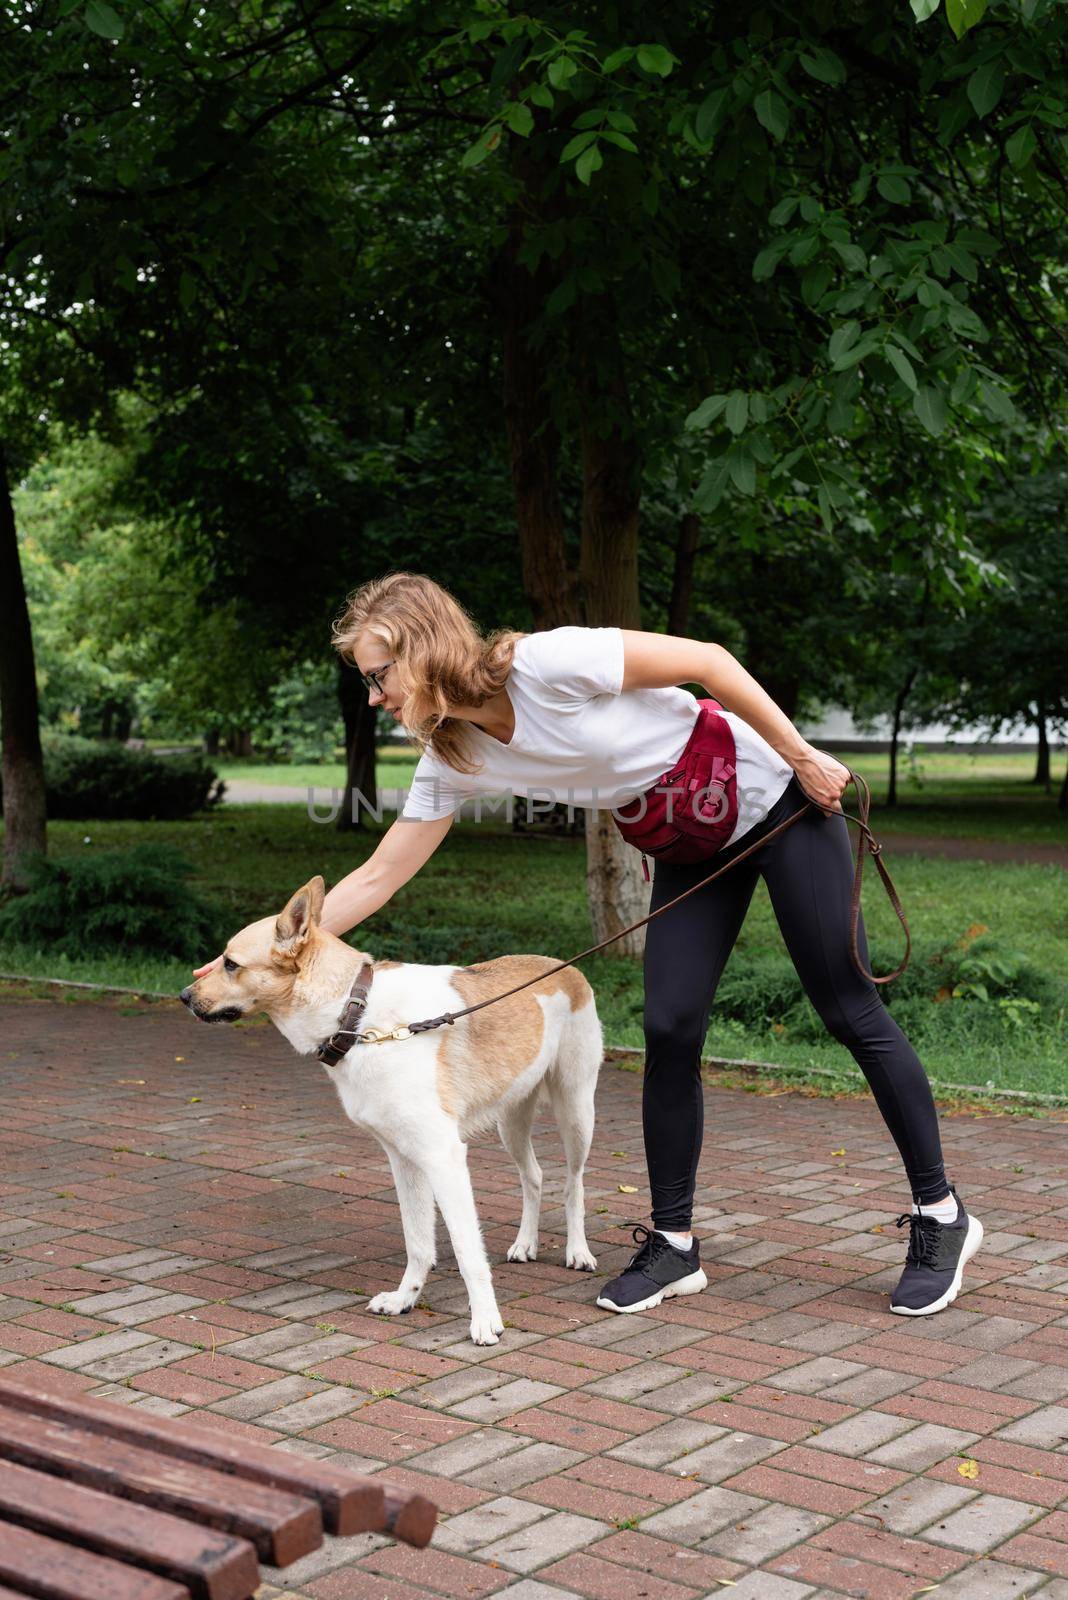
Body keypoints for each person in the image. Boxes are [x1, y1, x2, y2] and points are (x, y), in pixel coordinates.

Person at [194, 572, 982, 1318]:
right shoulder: (453, 754)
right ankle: (675, 1244)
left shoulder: (547, 663)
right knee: (670, 1027)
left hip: (779, 799)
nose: (374, 695)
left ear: (420, 649)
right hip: (690, 840)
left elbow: (709, 663)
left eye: (378, 674)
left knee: (847, 1008)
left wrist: (804, 757)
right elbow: (380, 875)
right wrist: (257, 951)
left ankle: (941, 1215)